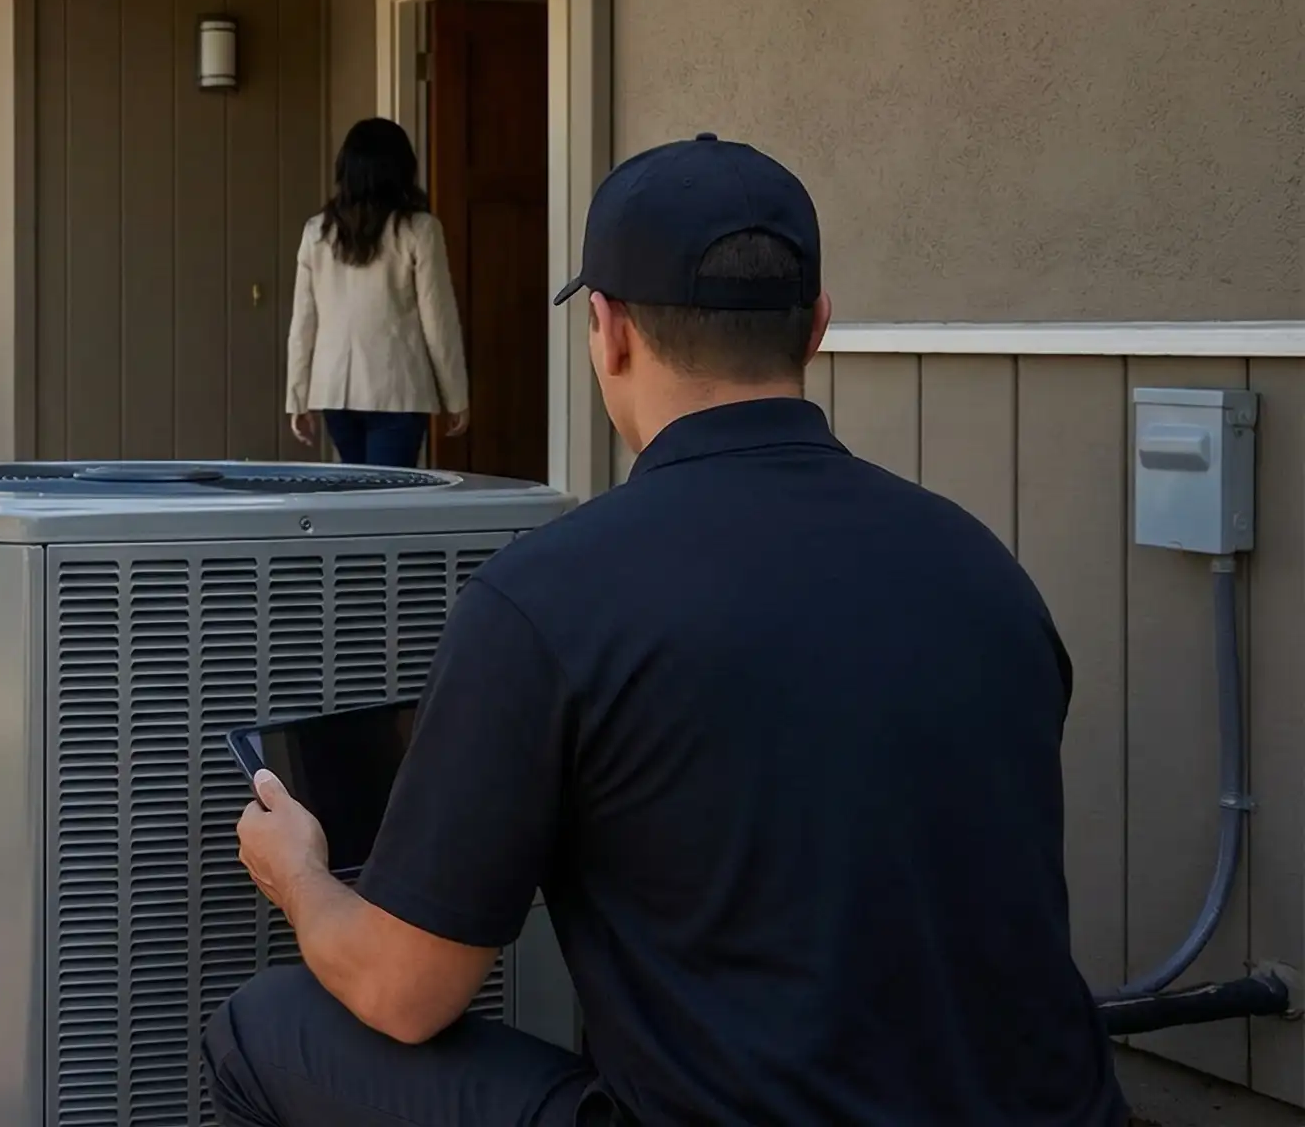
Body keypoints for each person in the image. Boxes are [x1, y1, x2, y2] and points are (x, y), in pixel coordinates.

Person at [208, 134, 1125, 1126]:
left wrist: (297, 873)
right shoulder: (983, 568)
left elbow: (403, 992)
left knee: (267, 1023)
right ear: (814, 327)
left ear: (606, 333)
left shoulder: (545, 600)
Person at [286, 119, 468, 468]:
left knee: (357, 501)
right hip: (399, 391)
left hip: (335, 390)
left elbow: (303, 324)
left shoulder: (317, 232)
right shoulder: (420, 230)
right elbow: (438, 320)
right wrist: (455, 395)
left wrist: (297, 397)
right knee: (390, 503)